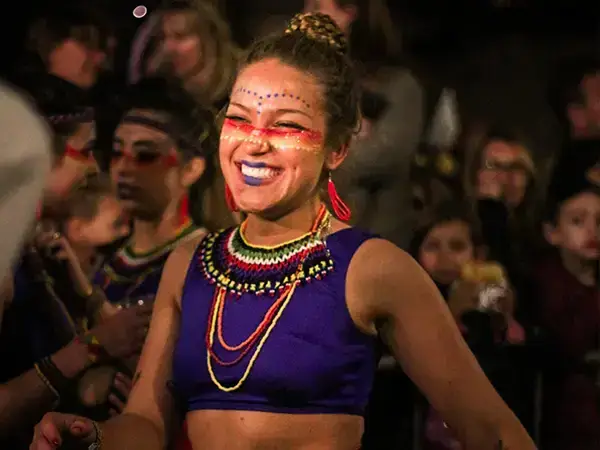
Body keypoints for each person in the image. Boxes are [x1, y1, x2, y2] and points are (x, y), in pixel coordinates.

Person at [31, 13, 535, 450]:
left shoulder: (371, 268)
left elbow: (492, 433)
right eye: (239, 118)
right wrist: (93, 439)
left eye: (286, 126)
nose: (254, 144)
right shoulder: (190, 264)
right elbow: (144, 424)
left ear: (336, 148)